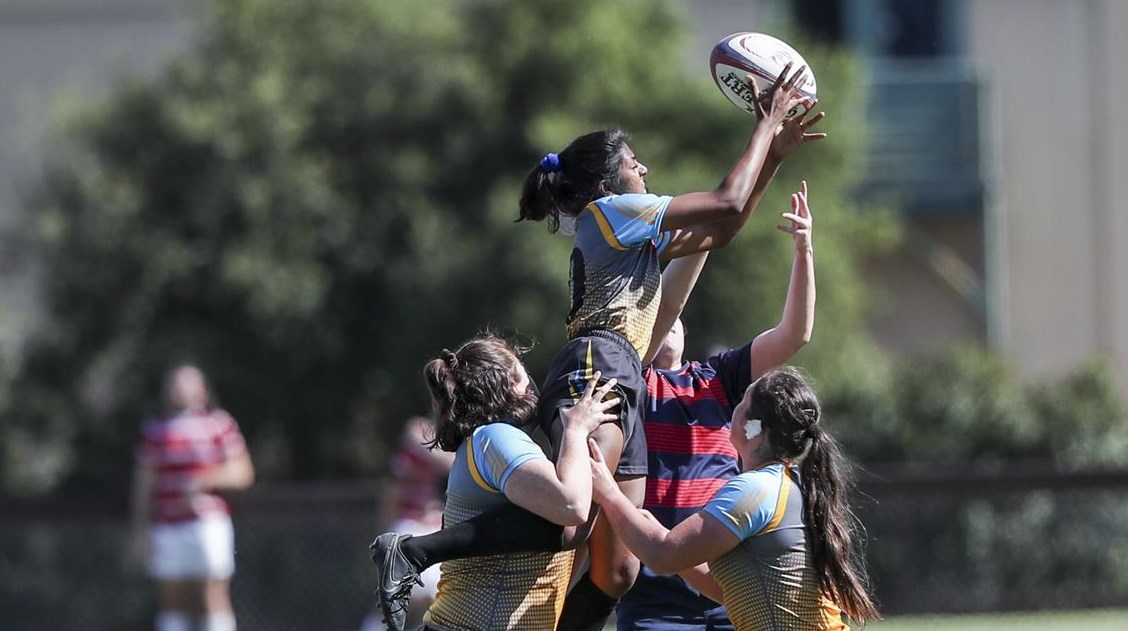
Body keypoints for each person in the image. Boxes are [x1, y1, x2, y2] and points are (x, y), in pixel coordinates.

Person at [372, 66, 825, 631]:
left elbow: (722, 229)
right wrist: (764, 125)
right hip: (598, 365)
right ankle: (414, 552)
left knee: (619, 572)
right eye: (636, 163)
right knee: (572, 514)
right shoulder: (609, 213)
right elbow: (727, 202)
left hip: (622, 371)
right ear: (610, 181)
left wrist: (774, 155)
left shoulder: (628, 229)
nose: (646, 170)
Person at [618, 181, 817, 631]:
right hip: (655, 596)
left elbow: (795, 334)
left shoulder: (720, 379)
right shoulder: (631, 382)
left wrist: (804, 251)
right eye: (658, 318)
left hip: (732, 586)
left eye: (674, 321)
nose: (667, 327)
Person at [590, 367, 880, 630]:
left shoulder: (753, 489)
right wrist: (650, 528)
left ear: (753, 428)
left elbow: (664, 556)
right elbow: (729, 589)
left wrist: (608, 491)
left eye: (743, 400)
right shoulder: (788, 483)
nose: (734, 407)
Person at [380, 333, 618, 630]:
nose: (534, 383)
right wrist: (575, 430)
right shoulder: (496, 438)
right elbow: (571, 505)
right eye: (523, 372)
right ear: (510, 384)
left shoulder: (488, 440)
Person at [130, 364, 255, 631]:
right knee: (173, 599)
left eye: (187, 383)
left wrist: (203, 480)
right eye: (175, 383)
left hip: (207, 525)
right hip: (167, 526)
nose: (180, 389)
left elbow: (243, 472)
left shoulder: (219, 425)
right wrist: (141, 528)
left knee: (212, 593)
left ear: (203, 389)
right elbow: (144, 486)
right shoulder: (156, 431)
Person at [361, 417, 454, 631]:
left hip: (435, 531)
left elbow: (448, 461)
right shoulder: (408, 456)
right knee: (394, 601)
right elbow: (391, 493)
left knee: (436, 598)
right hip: (409, 530)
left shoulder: (456, 457)